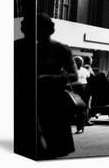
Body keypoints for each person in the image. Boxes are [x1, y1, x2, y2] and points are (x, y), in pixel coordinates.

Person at [34, 13, 78, 159]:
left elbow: (74, 75)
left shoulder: (61, 49)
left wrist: (49, 78)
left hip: (53, 99)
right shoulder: (29, 48)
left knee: (52, 145)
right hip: (34, 96)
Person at [71, 56, 90, 133]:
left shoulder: (85, 70)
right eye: (78, 62)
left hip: (83, 89)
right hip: (73, 88)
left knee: (81, 109)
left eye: (81, 62)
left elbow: (88, 79)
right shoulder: (71, 70)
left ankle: (80, 127)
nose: (80, 64)